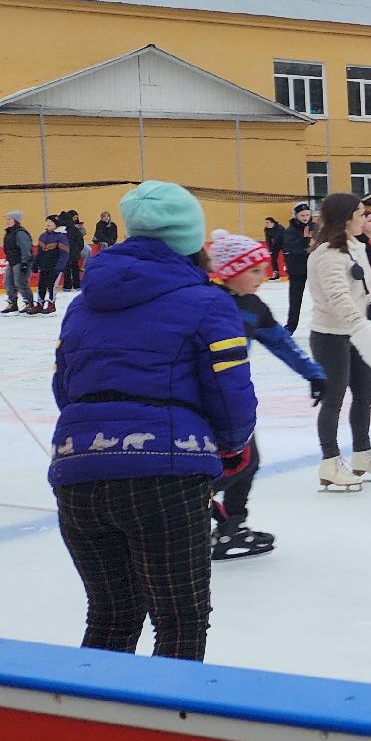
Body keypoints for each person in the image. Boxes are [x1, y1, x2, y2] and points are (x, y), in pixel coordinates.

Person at [48, 180, 257, 660]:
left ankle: (90, 707)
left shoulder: (83, 304)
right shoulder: (209, 301)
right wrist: (231, 446)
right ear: (190, 238)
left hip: (78, 471)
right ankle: (169, 710)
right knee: (180, 619)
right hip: (165, 477)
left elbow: (65, 387)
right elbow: (230, 392)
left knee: (112, 615)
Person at [207, 230, 327, 560]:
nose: (264, 276)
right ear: (231, 270)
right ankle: (195, 510)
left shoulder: (253, 307)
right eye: (255, 270)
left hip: (233, 402)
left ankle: (231, 525)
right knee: (234, 465)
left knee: (247, 462)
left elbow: (281, 343)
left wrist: (313, 373)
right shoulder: (208, 301)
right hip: (205, 399)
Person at [306, 191, 371, 491]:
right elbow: (337, 297)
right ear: (346, 219)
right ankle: (330, 462)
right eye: (360, 214)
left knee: (364, 393)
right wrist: (362, 328)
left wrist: (367, 314)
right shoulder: (327, 254)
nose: (365, 218)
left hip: (356, 332)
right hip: (331, 336)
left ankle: (362, 454)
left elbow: (359, 291)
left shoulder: (356, 248)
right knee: (333, 398)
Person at [282, 202, 315, 334]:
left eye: (307, 215)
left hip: (314, 268)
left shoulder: (315, 227)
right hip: (297, 270)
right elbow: (292, 248)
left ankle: (329, 324)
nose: (305, 218)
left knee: (324, 296)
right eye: (302, 215)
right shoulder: (290, 231)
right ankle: (290, 326)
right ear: (296, 216)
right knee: (295, 300)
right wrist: (305, 240)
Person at [32, 214, 69, 314]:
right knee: (41, 285)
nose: (48, 223)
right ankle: (40, 303)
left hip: (55, 266)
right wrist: (35, 263)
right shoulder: (43, 236)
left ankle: (51, 304)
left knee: (51, 285)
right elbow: (39, 252)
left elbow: (64, 254)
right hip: (44, 266)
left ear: (56, 224)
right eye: (47, 221)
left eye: (51, 221)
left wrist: (59, 267)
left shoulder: (61, 237)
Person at [0, 210, 32, 316]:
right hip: (12, 261)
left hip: (21, 261)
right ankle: (12, 303)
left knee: (20, 283)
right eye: (7, 219)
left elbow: (25, 248)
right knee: (8, 282)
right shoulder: (9, 232)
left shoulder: (20, 233)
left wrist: (25, 262)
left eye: (9, 219)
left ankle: (29, 303)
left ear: (15, 220)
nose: (7, 221)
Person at [60, 211, 87, 291]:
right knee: (75, 268)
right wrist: (78, 250)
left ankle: (67, 287)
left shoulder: (60, 229)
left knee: (66, 269)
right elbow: (80, 241)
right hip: (74, 251)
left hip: (64, 251)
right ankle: (77, 285)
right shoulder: (74, 229)